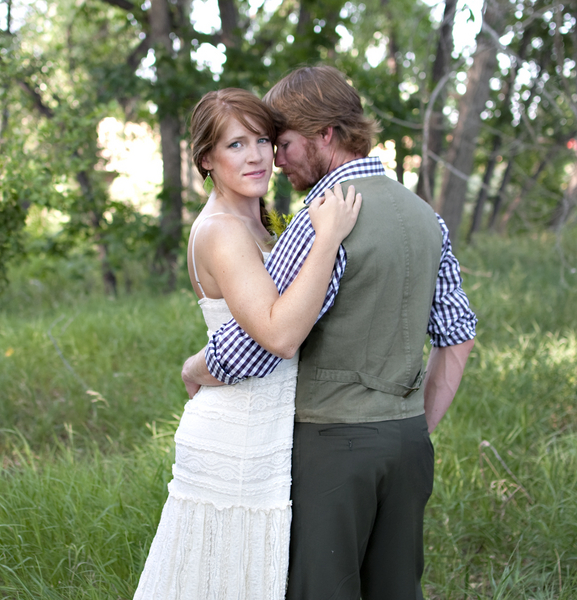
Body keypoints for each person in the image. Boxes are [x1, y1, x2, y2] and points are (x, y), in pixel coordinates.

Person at [181, 66, 478, 600]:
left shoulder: (319, 218)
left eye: (282, 143)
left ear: (324, 135)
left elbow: (262, 343)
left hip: (332, 444)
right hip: (408, 443)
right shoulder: (425, 216)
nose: (276, 159)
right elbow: (457, 334)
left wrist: (197, 366)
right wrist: (415, 425)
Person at [133, 88, 361, 599]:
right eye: (236, 145)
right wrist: (327, 239)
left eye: (263, 140)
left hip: (266, 430)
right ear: (206, 159)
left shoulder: (256, 221)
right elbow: (279, 335)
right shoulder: (221, 232)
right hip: (235, 438)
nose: (257, 155)